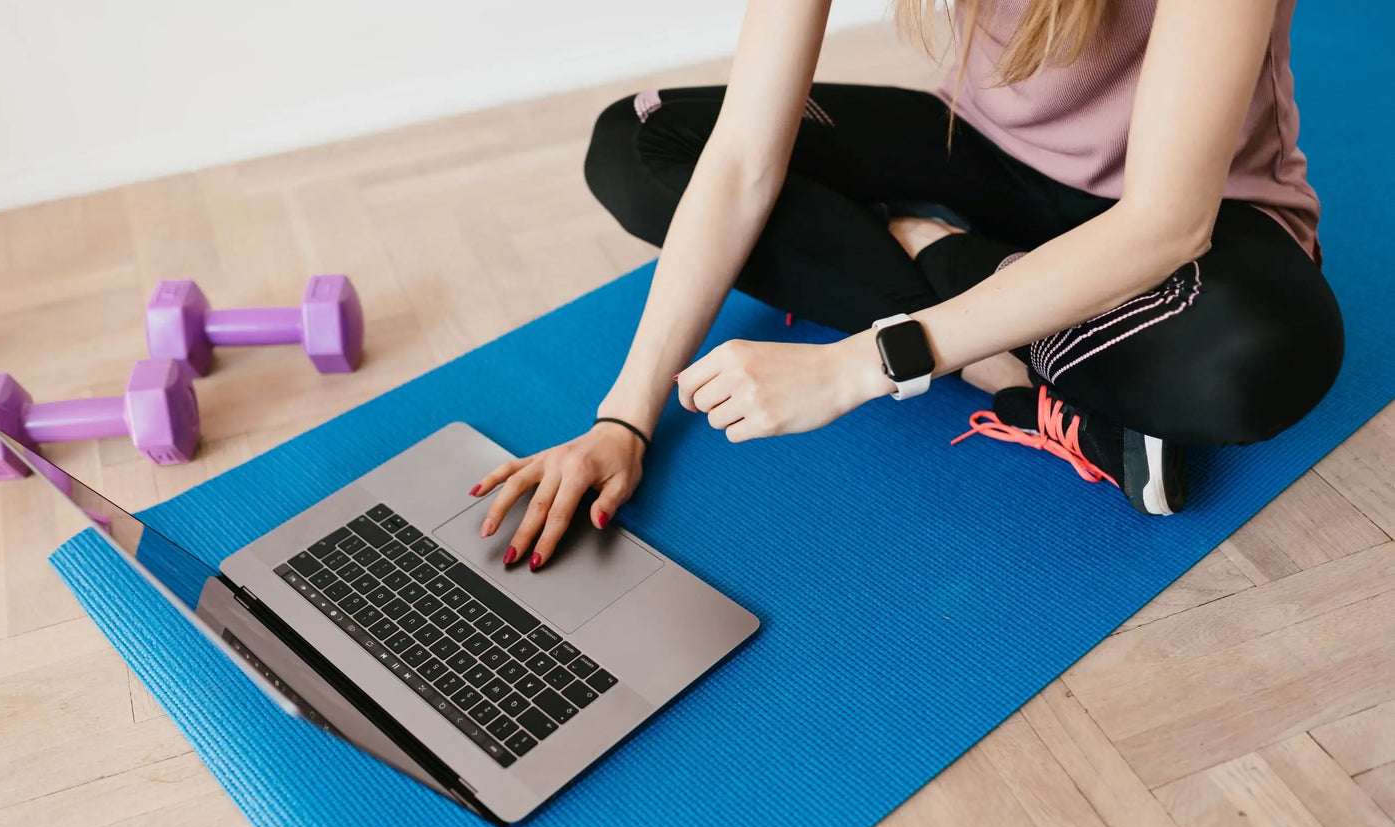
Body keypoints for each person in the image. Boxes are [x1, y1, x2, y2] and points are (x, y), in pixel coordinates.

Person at [469, 0, 1343, 569]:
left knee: (1253, 359)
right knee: (638, 144)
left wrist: (861, 364)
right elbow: (740, 159)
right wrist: (623, 417)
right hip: (985, 160)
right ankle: (1013, 345)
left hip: (1200, 229)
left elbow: (1164, 223)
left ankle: (941, 257)